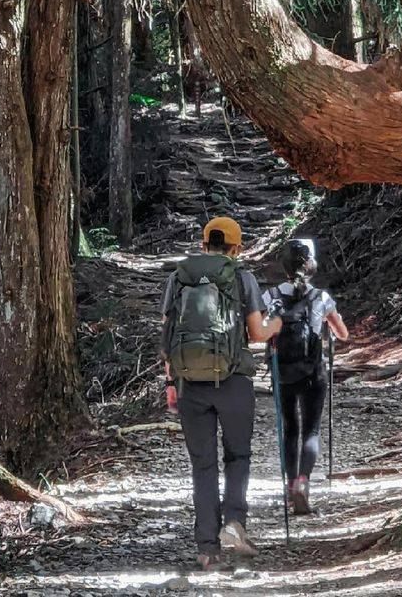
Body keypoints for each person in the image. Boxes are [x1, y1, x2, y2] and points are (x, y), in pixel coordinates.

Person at [160, 216, 281, 569]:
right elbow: (257, 334)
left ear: (203, 244)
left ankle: (207, 548)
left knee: (203, 466)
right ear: (236, 247)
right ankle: (233, 523)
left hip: (189, 386)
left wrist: (171, 383)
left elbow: (168, 338)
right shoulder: (242, 278)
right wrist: (277, 325)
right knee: (237, 456)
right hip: (234, 381)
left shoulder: (178, 277)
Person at [266, 238, 348, 516]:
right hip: (314, 372)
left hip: (282, 371)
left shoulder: (271, 296)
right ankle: (303, 482)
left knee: (290, 429)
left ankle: (290, 488)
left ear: (284, 265)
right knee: (310, 430)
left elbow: (259, 330)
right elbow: (342, 334)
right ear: (311, 265)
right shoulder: (321, 298)